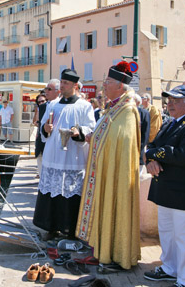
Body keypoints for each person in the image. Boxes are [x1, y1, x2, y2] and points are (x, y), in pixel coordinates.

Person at [143, 85, 185, 287]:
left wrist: (155, 154)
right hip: (165, 189)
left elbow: (183, 156)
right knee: (167, 233)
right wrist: (150, 160)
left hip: (184, 193)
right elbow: (152, 146)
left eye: (175, 100)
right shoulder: (170, 123)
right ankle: (169, 268)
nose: (170, 103)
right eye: (169, 100)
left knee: (183, 238)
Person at [75, 61, 140, 270]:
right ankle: (100, 247)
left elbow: (122, 145)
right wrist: (92, 138)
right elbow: (108, 137)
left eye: (108, 82)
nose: (103, 86)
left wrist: (96, 140)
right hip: (103, 170)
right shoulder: (113, 109)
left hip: (115, 175)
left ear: (121, 86)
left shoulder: (127, 111)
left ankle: (114, 252)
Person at [33, 69, 95, 240]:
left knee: (70, 193)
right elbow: (44, 126)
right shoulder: (53, 105)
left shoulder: (84, 106)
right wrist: (45, 128)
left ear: (75, 85)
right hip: (53, 156)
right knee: (51, 192)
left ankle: (69, 229)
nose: (62, 85)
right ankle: (50, 227)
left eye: (66, 83)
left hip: (72, 156)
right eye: (61, 82)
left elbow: (91, 128)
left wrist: (78, 131)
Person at [34, 79, 60, 179]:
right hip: (43, 140)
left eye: (49, 89)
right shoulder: (43, 107)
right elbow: (40, 123)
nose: (46, 91)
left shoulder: (60, 106)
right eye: (46, 89)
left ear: (58, 91)